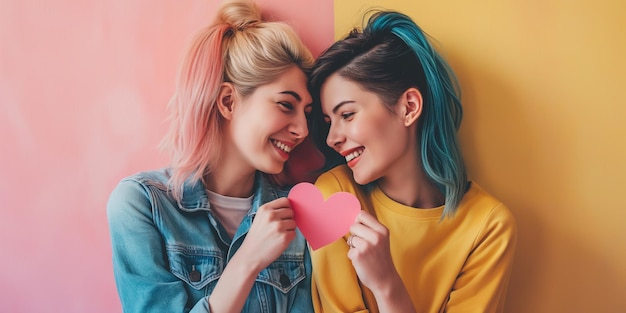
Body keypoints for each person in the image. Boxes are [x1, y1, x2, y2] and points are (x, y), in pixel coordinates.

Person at [106, 0, 316, 312]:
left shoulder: (299, 215)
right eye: (286, 105)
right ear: (229, 102)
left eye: (307, 113)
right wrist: (247, 261)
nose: (302, 129)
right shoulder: (142, 205)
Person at [307, 9, 518, 313]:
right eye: (328, 121)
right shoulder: (333, 197)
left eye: (347, 115)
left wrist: (386, 284)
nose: (331, 138)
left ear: (409, 107)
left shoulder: (489, 227)